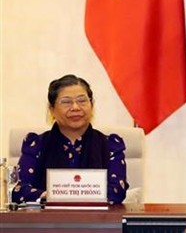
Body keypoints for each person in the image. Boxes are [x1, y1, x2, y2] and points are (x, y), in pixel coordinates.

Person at [11, 74, 129, 204]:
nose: (75, 108)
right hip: (47, 222)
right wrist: (49, 196)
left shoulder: (110, 146)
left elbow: (117, 191)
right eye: (66, 102)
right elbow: (18, 190)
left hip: (97, 222)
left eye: (82, 100)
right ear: (52, 110)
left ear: (92, 105)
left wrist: (65, 195)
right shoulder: (37, 145)